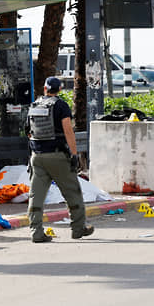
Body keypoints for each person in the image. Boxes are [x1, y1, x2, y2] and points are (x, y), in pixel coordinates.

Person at [26, 76, 94, 243]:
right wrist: (74, 154)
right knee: (72, 193)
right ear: (60, 90)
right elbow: (68, 131)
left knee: (36, 196)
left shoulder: (34, 105)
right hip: (58, 156)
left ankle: (36, 232)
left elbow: (28, 131)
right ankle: (78, 229)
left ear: (45, 89)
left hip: (37, 157)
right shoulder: (61, 105)